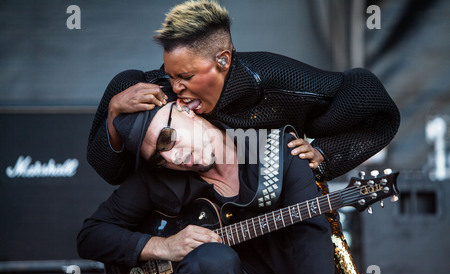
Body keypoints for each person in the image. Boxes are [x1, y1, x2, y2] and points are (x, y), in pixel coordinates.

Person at [86, 0, 400, 186]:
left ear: (222, 61)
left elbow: (370, 99)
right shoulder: (150, 90)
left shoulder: (279, 82)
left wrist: (325, 157)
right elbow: (111, 174)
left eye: (186, 76)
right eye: (170, 74)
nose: (176, 87)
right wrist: (114, 116)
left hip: (269, 222)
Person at [77, 102, 335, 274]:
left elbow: (311, 241)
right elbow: (91, 236)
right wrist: (163, 246)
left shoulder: (277, 153)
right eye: (157, 157)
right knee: (211, 261)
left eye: (167, 139)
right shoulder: (158, 179)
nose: (171, 158)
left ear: (185, 109)